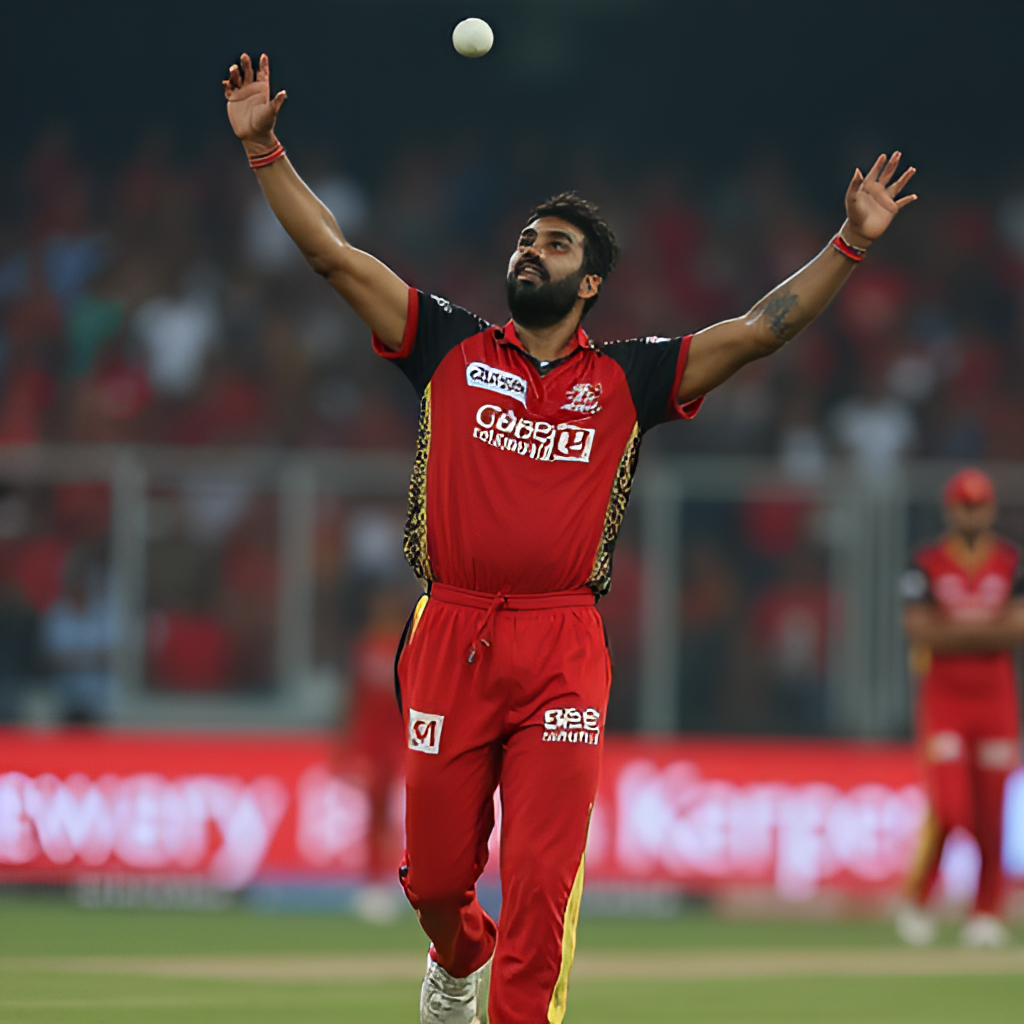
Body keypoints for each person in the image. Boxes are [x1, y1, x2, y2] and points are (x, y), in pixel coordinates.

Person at [223, 51, 917, 1024]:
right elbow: (334, 256)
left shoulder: (629, 378)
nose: (530, 251)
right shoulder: (448, 345)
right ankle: (456, 956)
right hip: (450, 630)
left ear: (589, 281)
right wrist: (265, 152)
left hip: (561, 645)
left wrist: (848, 243)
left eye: (553, 244)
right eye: (525, 239)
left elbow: (760, 328)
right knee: (434, 877)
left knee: (543, 880)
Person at [896, 468, 1024, 948]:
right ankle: (916, 898)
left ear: (990, 509)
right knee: (952, 808)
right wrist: (986, 630)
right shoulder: (925, 564)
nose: (971, 514)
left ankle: (986, 912)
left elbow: (1017, 629)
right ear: (950, 509)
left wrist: (953, 629)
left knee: (992, 809)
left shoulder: (1011, 563)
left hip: (995, 701)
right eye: (963, 506)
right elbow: (919, 630)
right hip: (945, 700)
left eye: (979, 505)